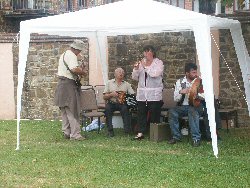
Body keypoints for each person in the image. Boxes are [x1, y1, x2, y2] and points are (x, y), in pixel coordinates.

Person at [54, 39, 88, 141]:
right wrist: (83, 72)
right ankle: (75, 134)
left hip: (62, 84)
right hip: (68, 85)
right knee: (73, 109)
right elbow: (74, 69)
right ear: (77, 49)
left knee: (64, 110)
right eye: (80, 51)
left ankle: (66, 132)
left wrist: (80, 69)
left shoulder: (64, 54)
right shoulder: (72, 55)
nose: (79, 53)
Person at [132, 45, 164, 140]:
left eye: (148, 51)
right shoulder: (141, 63)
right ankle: (140, 133)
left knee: (154, 113)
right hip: (142, 94)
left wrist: (145, 66)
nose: (146, 54)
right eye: (144, 52)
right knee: (141, 113)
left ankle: (154, 133)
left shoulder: (158, 63)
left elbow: (155, 74)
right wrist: (136, 69)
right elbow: (134, 77)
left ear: (153, 53)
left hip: (154, 94)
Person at [168, 62, 204, 147]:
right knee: (172, 111)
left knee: (192, 111)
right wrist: (181, 92)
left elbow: (205, 95)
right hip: (183, 106)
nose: (195, 74)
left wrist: (196, 95)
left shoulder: (200, 81)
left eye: (196, 72)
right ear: (187, 73)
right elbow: (175, 99)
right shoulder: (179, 82)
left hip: (196, 106)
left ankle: (196, 138)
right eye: (193, 72)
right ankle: (176, 136)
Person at [103, 67, 135, 137]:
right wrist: (111, 94)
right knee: (107, 109)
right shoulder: (109, 83)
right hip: (111, 103)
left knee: (125, 109)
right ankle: (110, 131)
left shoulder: (127, 84)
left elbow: (132, 95)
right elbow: (104, 97)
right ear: (115, 74)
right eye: (119, 72)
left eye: (123, 72)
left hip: (122, 103)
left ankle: (127, 131)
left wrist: (125, 96)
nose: (121, 73)